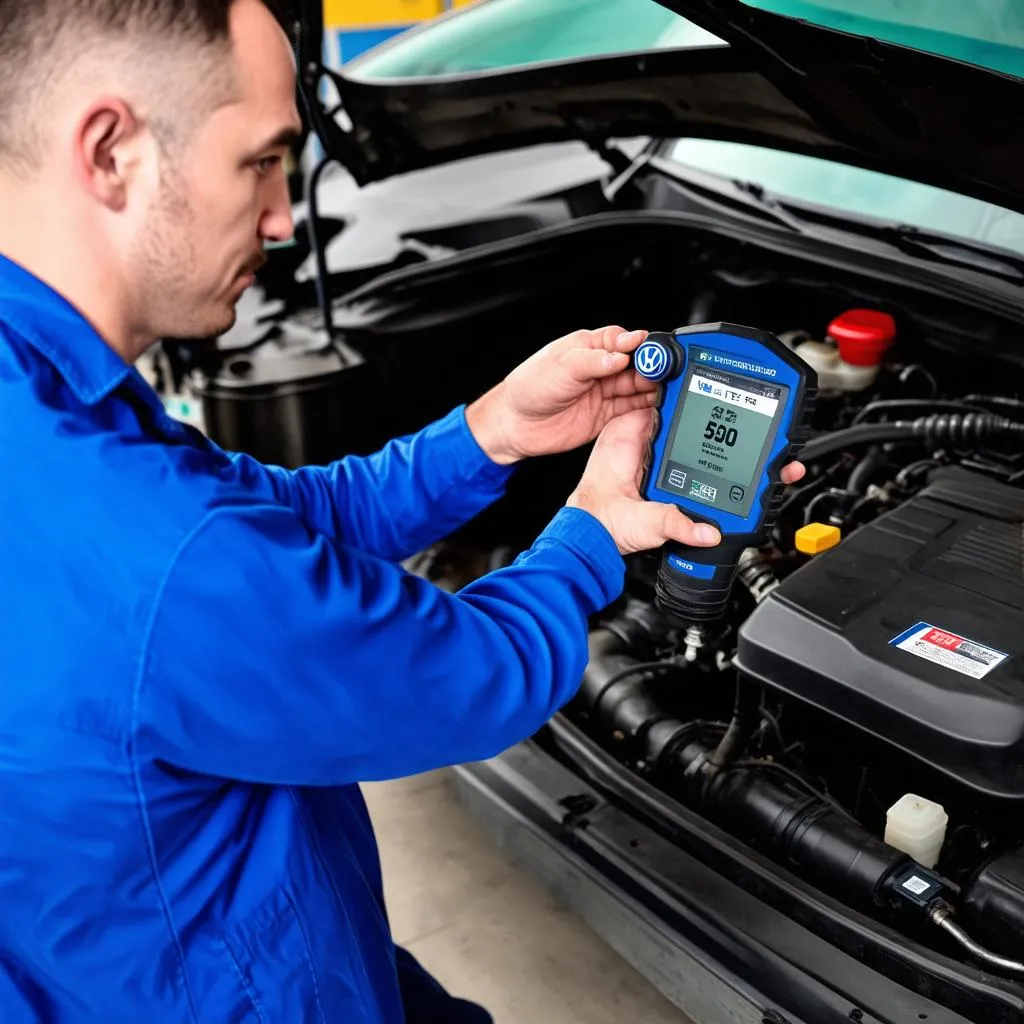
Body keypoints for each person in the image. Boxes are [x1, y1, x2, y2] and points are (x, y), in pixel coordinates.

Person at [0, 1, 804, 1021]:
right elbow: (465, 674)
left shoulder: (47, 405)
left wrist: (490, 433)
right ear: (111, 151)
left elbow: (275, 523)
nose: (286, 216)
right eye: (262, 159)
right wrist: (592, 534)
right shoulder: (153, 547)